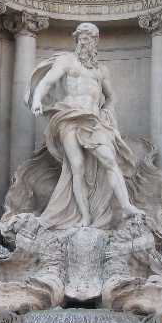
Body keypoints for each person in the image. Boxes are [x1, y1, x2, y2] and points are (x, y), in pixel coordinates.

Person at [25, 23, 145, 229]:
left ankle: (126, 206)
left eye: (88, 39)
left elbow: (111, 97)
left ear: (95, 42)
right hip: (69, 118)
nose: (83, 42)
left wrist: (107, 112)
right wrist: (37, 100)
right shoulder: (66, 61)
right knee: (77, 167)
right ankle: (85, 217)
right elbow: (47, 82)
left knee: (109, 159)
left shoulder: (100, 70)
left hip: (93, 120)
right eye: (80, 38)